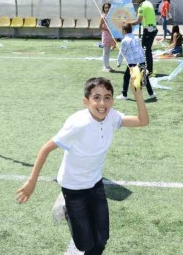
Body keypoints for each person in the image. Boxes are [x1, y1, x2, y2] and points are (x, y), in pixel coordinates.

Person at [15, 76, 149, 255]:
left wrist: (138, 93)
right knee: (84, 244)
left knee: (101, 240)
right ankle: (66, 207)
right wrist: (32, 182)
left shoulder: (112, 116)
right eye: (96, 97)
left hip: (95, 184)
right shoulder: (78, 124)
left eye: (107, 97)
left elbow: (142, 121)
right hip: (73, 188)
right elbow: (46, 148)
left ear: (112, 100)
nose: (102, 103)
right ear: (86, 101)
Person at [116, 23, 157, 100]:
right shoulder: (136, 38)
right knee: (144, 77)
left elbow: (121, 53)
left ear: (124, 31)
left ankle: (124, 95)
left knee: (126, 77)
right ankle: (151, 94)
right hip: (141, 60)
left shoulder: (124, 41)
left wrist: (118, 63)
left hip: (133, 63)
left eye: (122, 30)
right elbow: (141, 50)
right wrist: (143, 60)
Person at [123, 0, 158, 76]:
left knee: (145, 50)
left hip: (148, 30)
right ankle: (148, 69)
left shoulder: (142, 6)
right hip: (152, 29)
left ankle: (147, 70)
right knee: (147, 50)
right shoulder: (148, 3)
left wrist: (127, 23)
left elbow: (138, 21)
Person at [99, 2, 116, 72]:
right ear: (104, 9)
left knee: (108, 52)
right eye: (105, 8)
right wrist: (108, 29)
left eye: (108, 7)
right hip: (106, 35)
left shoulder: (112, 16)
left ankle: (108, 66)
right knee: (105, 51)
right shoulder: (103, 16)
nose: (107, 9)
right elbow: (100, 27)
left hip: (111, 35)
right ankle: (105, 67)